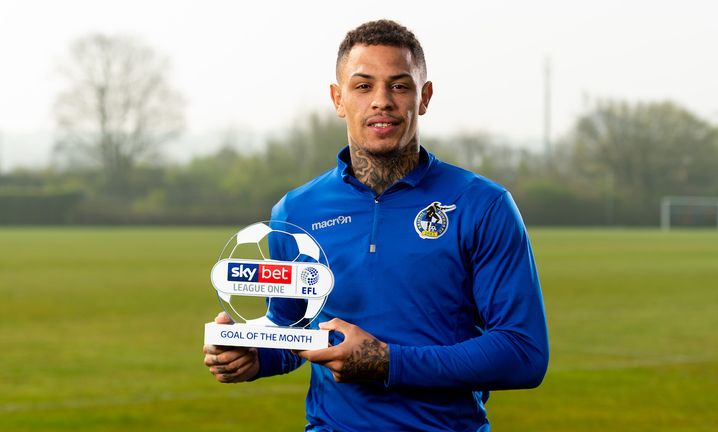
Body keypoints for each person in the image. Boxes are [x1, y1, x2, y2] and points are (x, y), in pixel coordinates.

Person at [203, 19, 549, 431]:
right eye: (363, 86)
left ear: (424, 97)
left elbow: (523, 354)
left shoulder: (483, 205)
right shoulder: (295, 212)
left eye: (399, 85)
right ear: (338, 98)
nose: (381, 101)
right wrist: (254, 355)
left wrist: (387, 362)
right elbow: (293, 331)